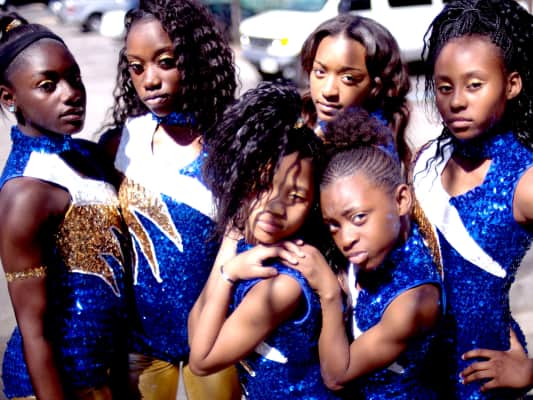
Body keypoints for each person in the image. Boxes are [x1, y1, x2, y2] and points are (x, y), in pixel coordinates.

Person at [99, 0, 241, 398]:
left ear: (195, 60)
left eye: (166, 62)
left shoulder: (230, 143)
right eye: (137, 67)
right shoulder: (121, 144)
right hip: (141, 346)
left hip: (216, 340)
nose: (150, 80)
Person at [0, 12, 129, 399]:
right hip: (57, 384)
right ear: (9, 98)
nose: (71, 93)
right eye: (48, 85)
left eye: (75, 78)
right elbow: (34, 332)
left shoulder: (84, 155)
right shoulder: (25, 193)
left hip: (105, 371)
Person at [187, 81, 341, 399]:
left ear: (313, 205)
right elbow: (195, 327)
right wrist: (232, 238)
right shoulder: (252, 247)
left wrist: (228, 273)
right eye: (262, 185)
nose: (274, 207)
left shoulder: (283, 285)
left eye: (295, 197)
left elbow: (201, 360)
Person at [412, 0, 533, 398]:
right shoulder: (425, 160)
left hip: (482, 378)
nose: (456, 101)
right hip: (413, 374)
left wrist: (531, 371)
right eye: (444, 87)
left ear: (512, 85)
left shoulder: (525, 178)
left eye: (475, 85)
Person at [283, 107, 444, 399]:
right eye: (333, 225)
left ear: (401, 200)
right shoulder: (367, 253)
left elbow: (337, 375)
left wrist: (330, 295)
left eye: (358, 218)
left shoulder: (414, 300)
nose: (346, 239)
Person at [299, 13, 411, 166]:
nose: (328, 91)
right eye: (320, 72)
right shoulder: (312, 127)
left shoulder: (369, 160)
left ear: (376, 86)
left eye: (348, 78)